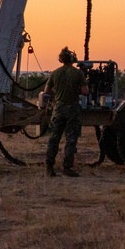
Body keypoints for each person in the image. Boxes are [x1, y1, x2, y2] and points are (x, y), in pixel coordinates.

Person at [43, 46, 88, 178]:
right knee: (71, 138)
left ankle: (49, 167)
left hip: (58, 108)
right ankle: (67, 167)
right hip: (72, 108)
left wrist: (57, 94)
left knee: (54, 138)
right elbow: (85, 91)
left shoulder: (55, 73)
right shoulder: (78, 73)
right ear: (72, 59)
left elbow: (47, 91)